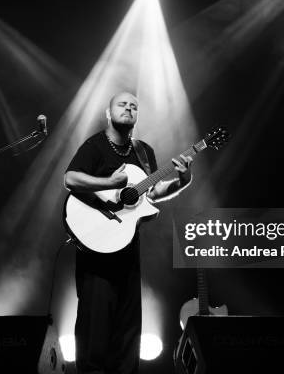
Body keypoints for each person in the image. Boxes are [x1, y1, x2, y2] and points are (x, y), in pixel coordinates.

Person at [64, 91, 193, 374]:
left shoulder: (144, 151)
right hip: (96, 253)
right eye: (122, 104)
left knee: (128, 333)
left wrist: (183, 180)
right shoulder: (95, 145)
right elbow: (70, 178)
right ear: (108, 113)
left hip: (127, 251)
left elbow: (152, 192)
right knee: (94, 330)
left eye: (134, 106)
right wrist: (108, 182)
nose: (129, 108)